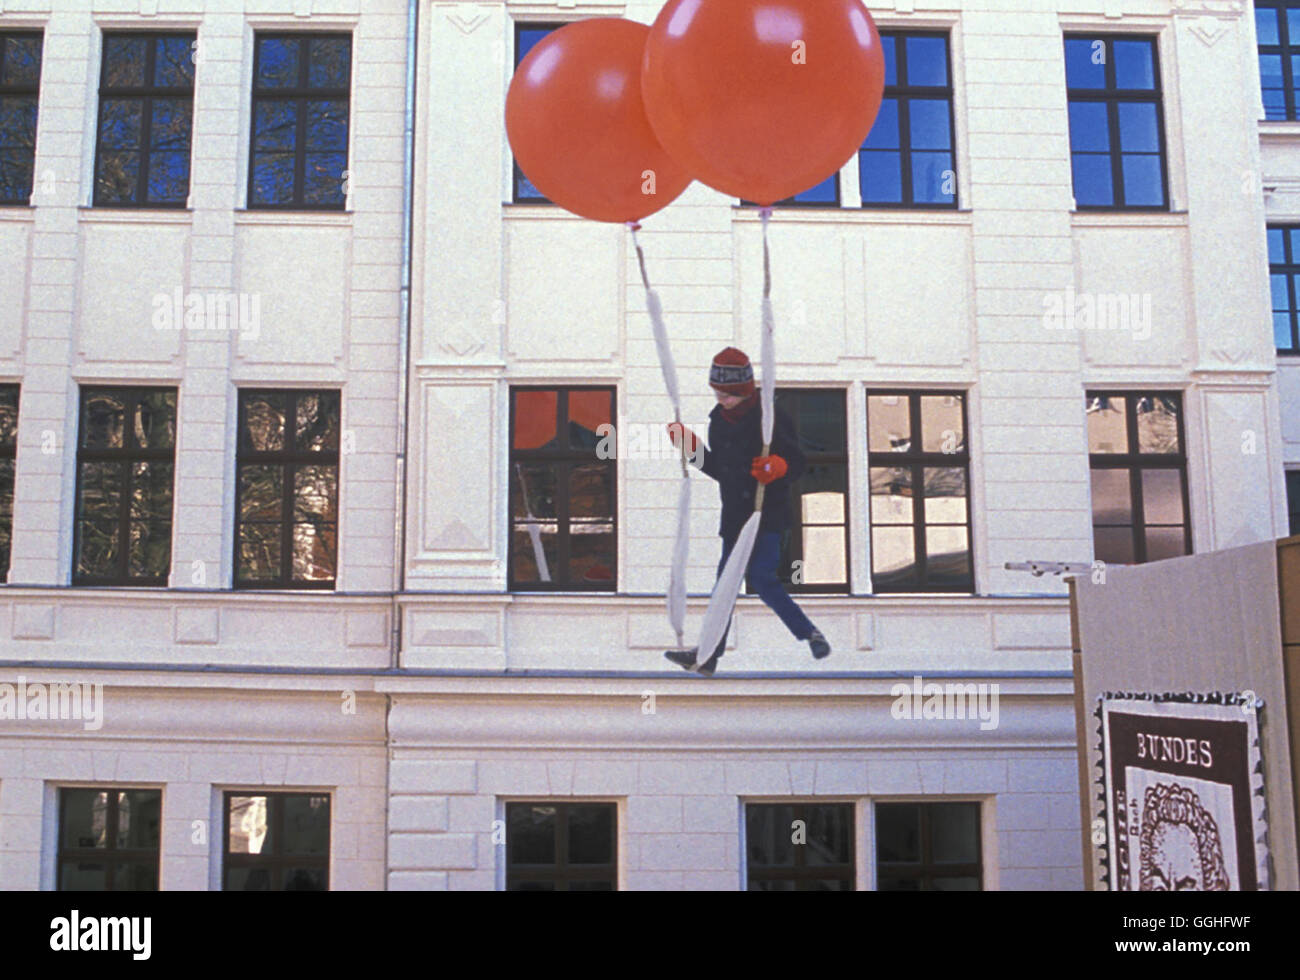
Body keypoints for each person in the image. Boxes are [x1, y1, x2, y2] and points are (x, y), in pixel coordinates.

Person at [665, 347, 830, 676]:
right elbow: (720, 469)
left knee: (762, 578)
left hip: (766, 515)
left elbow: (798, 461)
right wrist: (692, 449)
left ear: (744, 391)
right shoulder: (718, 421)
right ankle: (709, 656)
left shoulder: (771, 417)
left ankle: (809, 633)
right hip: (736, 517)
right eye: (718, 393)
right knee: (725, 584)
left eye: (728, 394)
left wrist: (779, 466)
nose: (721, 399)